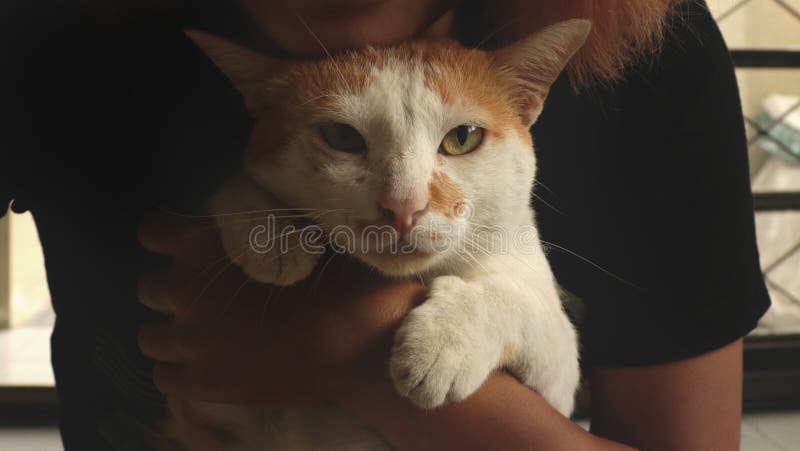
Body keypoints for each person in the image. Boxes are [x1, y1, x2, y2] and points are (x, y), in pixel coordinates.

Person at [1, 0, 770, 450]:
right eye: (339, 137)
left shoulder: (647, 52)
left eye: (463, 140)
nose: (406, 204)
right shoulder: (48, 30)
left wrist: (359, 358)